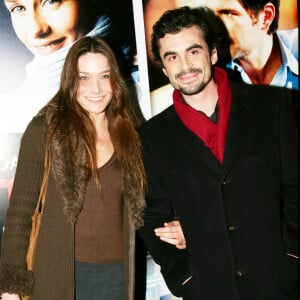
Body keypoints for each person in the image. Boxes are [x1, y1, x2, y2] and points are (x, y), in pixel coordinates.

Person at [137, 6, 298, 300]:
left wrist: (294, 260)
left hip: (280, 284)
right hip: (209, 290)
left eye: (193, 51)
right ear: (163, 68)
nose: (185, 65)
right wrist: (184, 277)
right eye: (172, 57)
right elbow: (151, 218)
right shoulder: (152, 137)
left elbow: (296, 188)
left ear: (212, 54)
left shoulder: (274, 107)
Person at [0, 36, 146, 300]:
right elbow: (20, 213)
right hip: (59, 275)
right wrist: (12, 285)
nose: (96, 88)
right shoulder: (45, 129)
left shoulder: (130, 134)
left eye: (104, 76)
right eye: (84, 77)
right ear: (70, 80)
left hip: (117, 277)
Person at [0, 0, 138, 134]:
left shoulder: (142, 85)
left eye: (51, 1)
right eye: (19, 8)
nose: (35, 29)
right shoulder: (10, 110)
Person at [147, 0, 298, 116]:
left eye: (227, 13)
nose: (215, 27)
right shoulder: (204, 73)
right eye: (210, 16)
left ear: (266, 16)